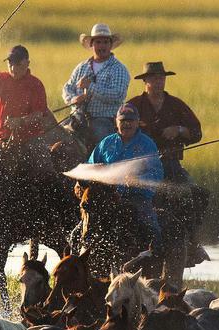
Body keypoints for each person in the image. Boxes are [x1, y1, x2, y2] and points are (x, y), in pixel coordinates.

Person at [83, 104, 164, 257]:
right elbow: (89, 166)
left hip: (137, 198)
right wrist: (96, 170)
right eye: (123, 120)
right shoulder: (106, 143)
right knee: (80, 231)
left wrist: (136, 180)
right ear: (116, 121)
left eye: (131, 120)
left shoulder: (147, 144)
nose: (126, 123)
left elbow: (157, 174)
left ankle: (156, 256)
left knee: (151, 227)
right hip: (107, 198)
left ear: (137, 122)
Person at [125, 62, 202, 183]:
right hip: (139, 164)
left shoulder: (177, 105)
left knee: (194, 194)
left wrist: (179, 130)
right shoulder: (133, 105)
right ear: (145, 80)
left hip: (171, 163)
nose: (158, 81)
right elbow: (119, 131)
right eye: (154, 78)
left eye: (161, 78)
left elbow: (197, 133)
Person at [63, 23, 131, 145]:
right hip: (77, 118)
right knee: (55, 137)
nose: (102, 46)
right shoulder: (81, 67)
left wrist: (91, 87)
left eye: (105, 42)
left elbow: (117, 95)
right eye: (98, 42)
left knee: (103, 143)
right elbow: (67, 88)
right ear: (91, 44)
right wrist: (74, 99)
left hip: (103, 119)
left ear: (110, 45)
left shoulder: (118, 69)